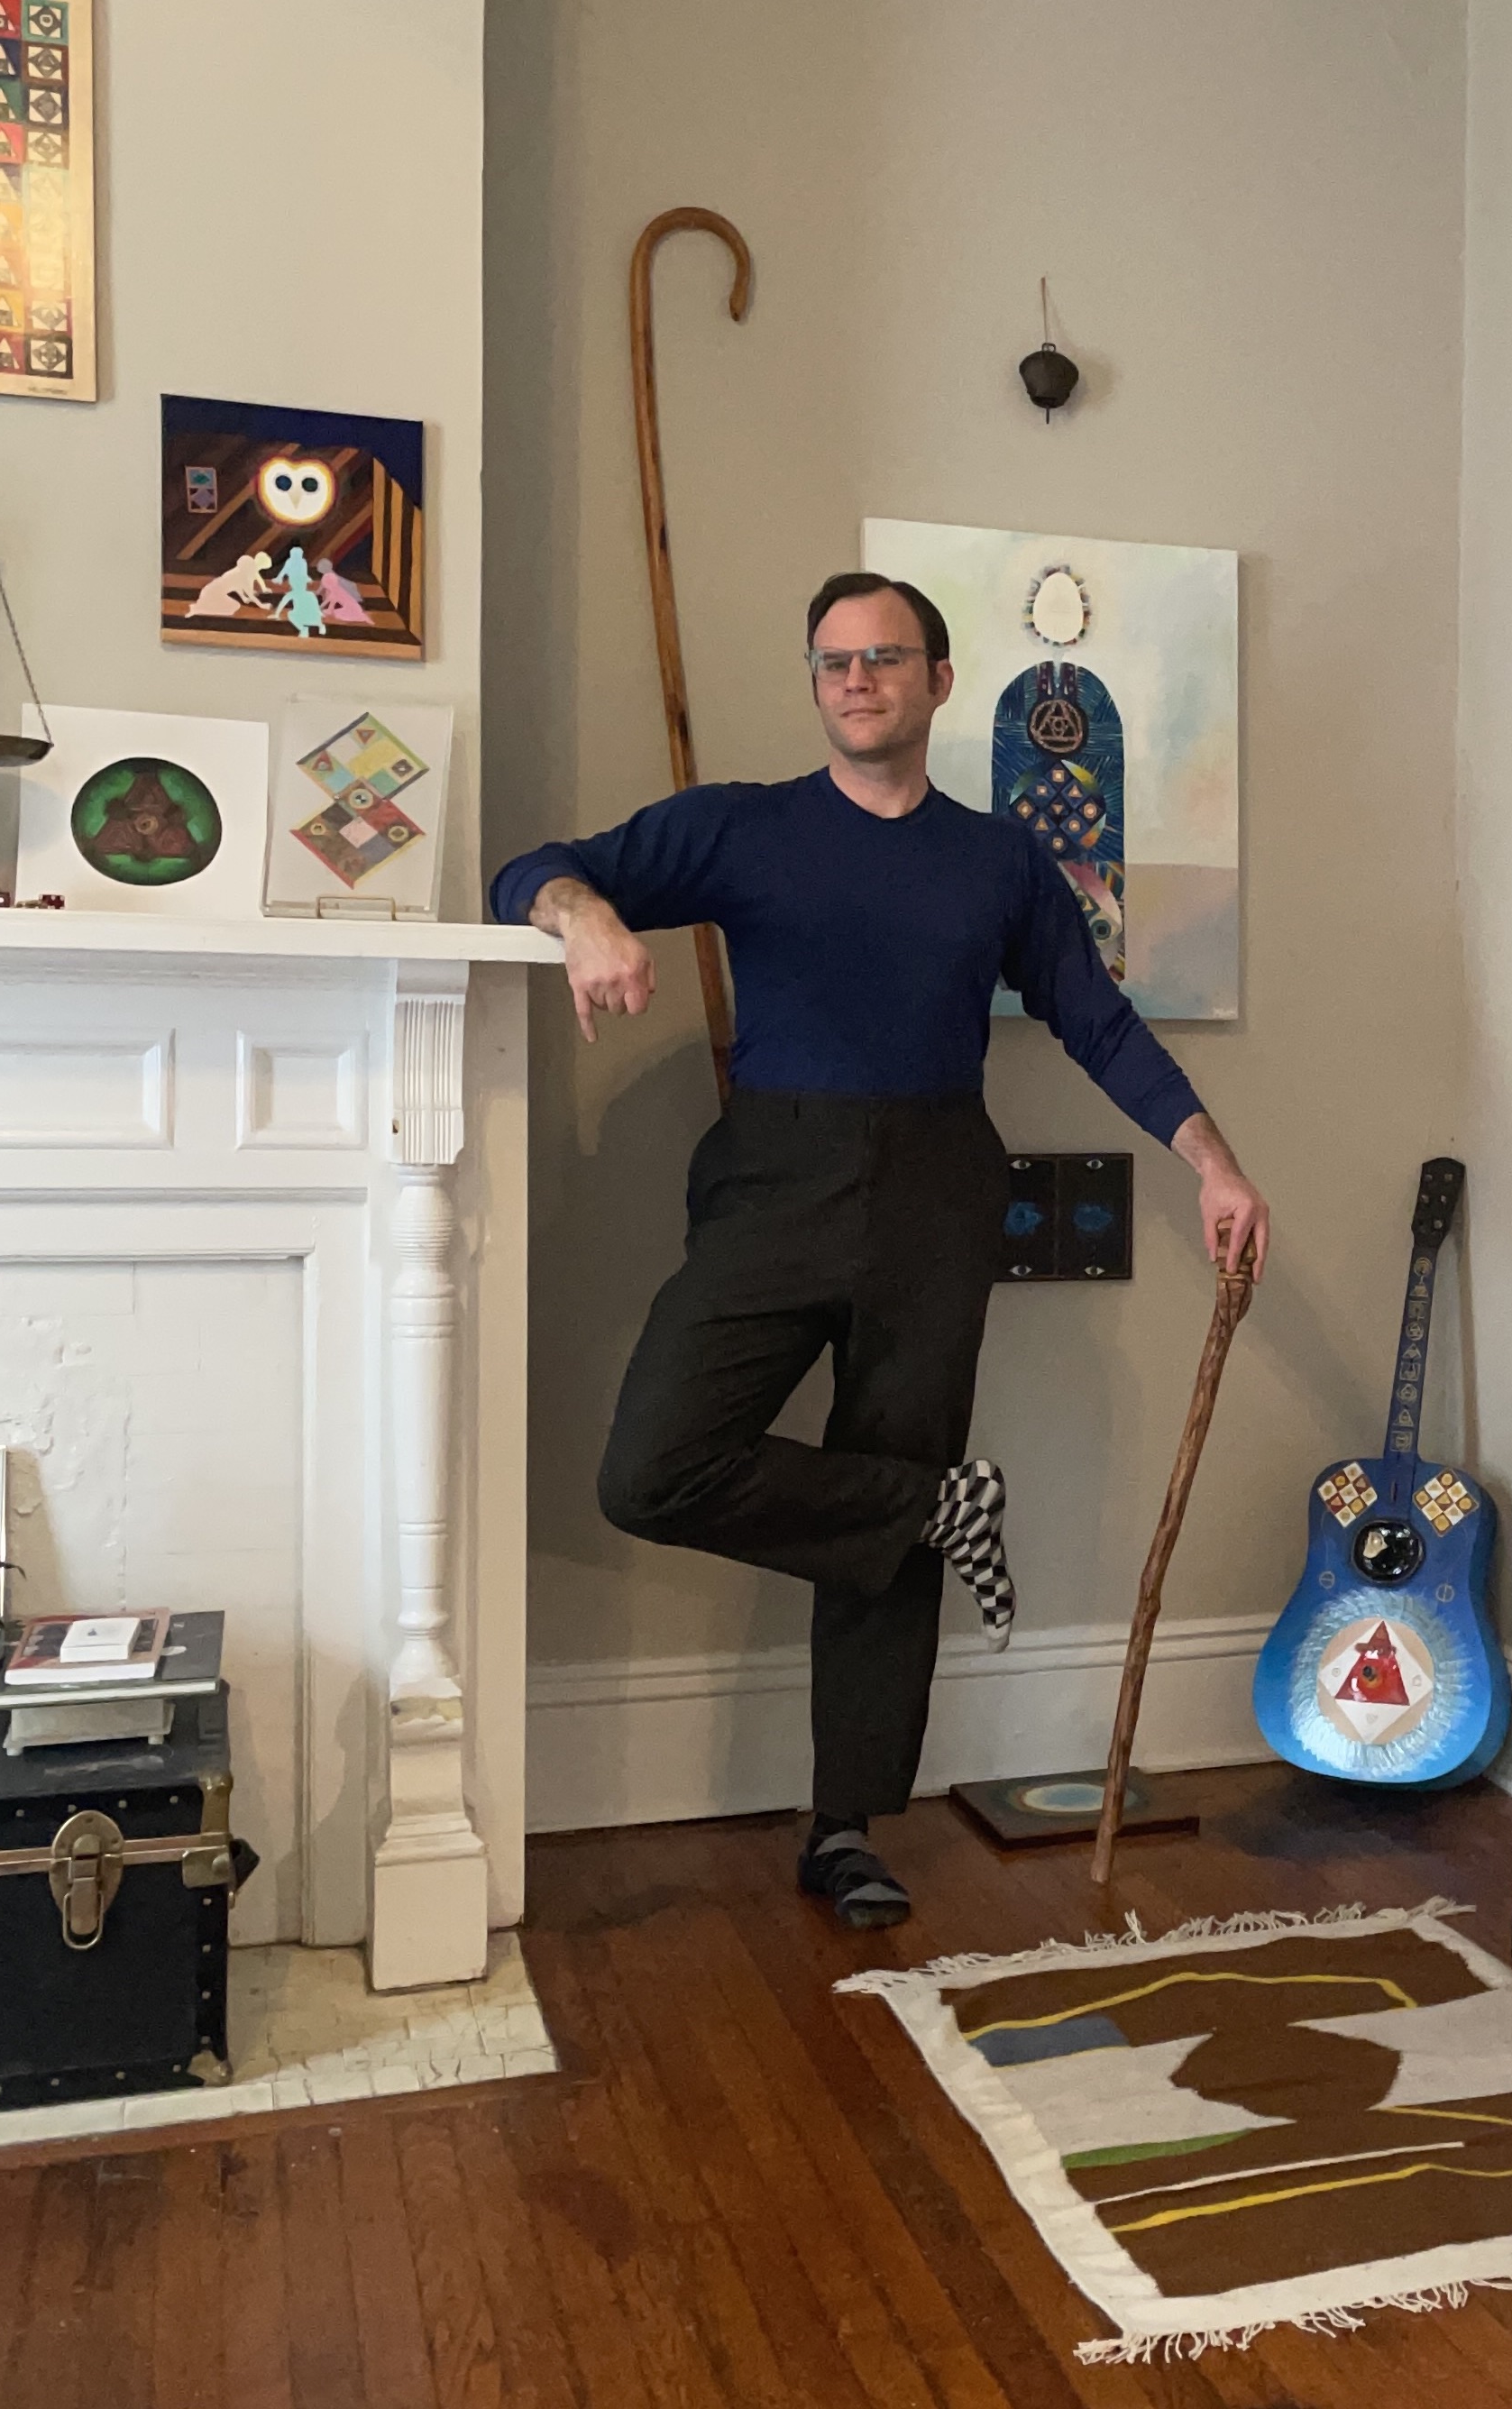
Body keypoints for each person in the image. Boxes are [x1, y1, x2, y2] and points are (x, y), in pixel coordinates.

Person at [490, 572, 1269, 1928]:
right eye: (833, 661)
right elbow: (529, 871)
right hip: (774, 1180)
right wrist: (587, 914)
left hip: (937, 1191)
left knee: (897, 1455)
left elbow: (1094, 1018)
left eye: (885, 657)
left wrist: (1211, 1159)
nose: (856, 680)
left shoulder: (1000, 861)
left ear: (938, 681)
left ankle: (847, 1826)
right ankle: (934, 1508)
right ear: (815, 682)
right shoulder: (741, 827)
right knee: (655, 1466)